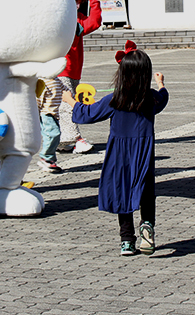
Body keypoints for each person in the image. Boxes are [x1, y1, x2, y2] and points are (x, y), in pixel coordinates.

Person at [62, 41, 167, 256]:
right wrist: (161, 84)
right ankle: (147, 224)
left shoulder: (115, 99)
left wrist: (70, 100)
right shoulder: (151, 98)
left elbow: (87, 114)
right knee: (146, 190)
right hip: (144, 153)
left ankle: (127, 240)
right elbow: (164, 98)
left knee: (122, 192)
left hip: (120, 154)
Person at [57, 0, 102, 153]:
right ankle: (75, 139)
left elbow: (95, 22)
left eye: (80, 0)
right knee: (68, 104)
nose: (78, 2)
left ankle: (62, 140)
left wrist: (93, 0)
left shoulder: (78, 17)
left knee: (65, 104)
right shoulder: (61, 15)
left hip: (74, 69)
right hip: (62, 68)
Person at [36, 77, 65, 173]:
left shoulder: (57, 80)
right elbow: (39, 98)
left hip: (54, 113)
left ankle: (50, 158)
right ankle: (46, 158)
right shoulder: (44, 81)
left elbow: (65, 90)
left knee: (53, 134)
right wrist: (36, 111)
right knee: (53, 134)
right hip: (46, 113)